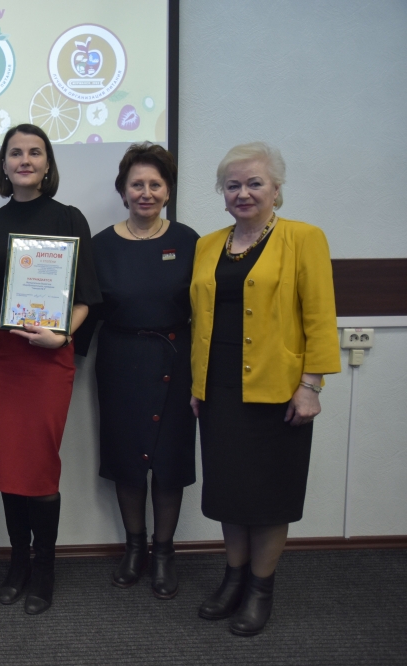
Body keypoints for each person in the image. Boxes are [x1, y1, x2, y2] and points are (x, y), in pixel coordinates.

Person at [190, 142, 340, 636]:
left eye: (255, 183)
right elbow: (200, 321)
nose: (243, 193)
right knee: (229, 492)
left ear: (276, 188)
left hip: (278, 392)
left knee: (271, 495)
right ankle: (233, 579)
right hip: (219, 390)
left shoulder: (304, 238)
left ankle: (260, 589)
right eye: (233, 185)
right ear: (222, 193)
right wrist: (197, 385)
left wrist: (311, 385)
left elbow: (320, 317)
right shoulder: (208, 245)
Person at [0, 123, 102, 614]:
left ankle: (44, 568)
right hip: (2, 358)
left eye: (35, 152)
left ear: (48, 164)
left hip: (48, 357)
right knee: (8, 463)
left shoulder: (70, 218)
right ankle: (17, 563)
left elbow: (86, 296)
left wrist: (62, 336)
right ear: (4, 165)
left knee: (40, 465)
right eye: (15, 153)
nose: (25, 160)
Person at [83, 143, 199, 599]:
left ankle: (164, 553)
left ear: (168, 190)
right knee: (127, 458)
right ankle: (135, 548)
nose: (146, 192)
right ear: (123, 190)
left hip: (176, 360)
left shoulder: (190, 241)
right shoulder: (100, 245)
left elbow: (204, 309)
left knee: (169, 460)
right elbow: (86, 307)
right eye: (137, 184)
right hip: (119, 360)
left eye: (155, 184)